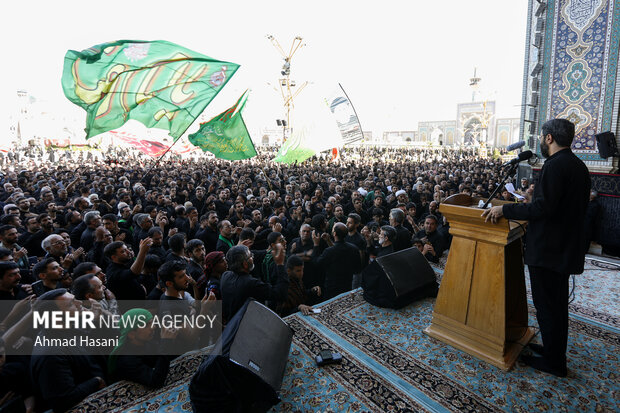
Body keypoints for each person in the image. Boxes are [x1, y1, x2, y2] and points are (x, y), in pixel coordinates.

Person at [482, 118, 590, 377]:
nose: (541, 141)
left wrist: (505, 209)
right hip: (563, 246)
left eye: (542, 137)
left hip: (549, 250)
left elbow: (544, 209)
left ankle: (554, 363)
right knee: (556, 306)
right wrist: (535, 199)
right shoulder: (578, 165)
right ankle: (554, 351)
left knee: (548, 306)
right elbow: (559, 206)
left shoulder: (554, 166)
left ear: (549, 138)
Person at [220, 245, 289, 321]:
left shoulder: (225, 275)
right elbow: (280, 294)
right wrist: (280, 264)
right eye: (250, 256)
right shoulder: (250, 283)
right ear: (245, 264)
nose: (253, 257)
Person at [311, 222, 361, 300]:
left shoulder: (329, 251)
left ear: (334, 233)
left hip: (332, 287)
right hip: (347, 285)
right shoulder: (354, 248)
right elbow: (357, 268)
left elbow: (317, 263)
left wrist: (316, 245)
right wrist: (328, 241)